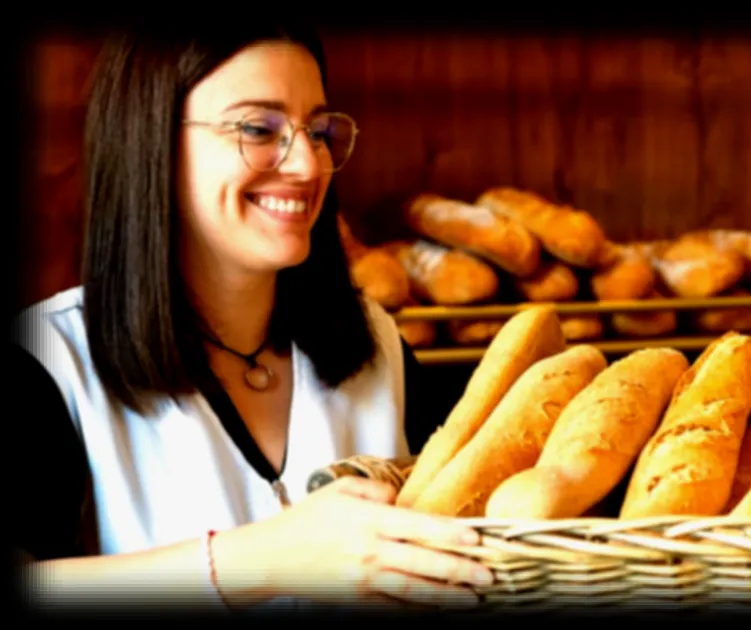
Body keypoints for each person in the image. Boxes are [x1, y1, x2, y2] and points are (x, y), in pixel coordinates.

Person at [11, 23, 491, 613]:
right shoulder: (46, 358)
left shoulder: (377, 345)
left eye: (317, 131)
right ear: (149, 141)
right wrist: (259, 559)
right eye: (257, 128)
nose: (307, 165)